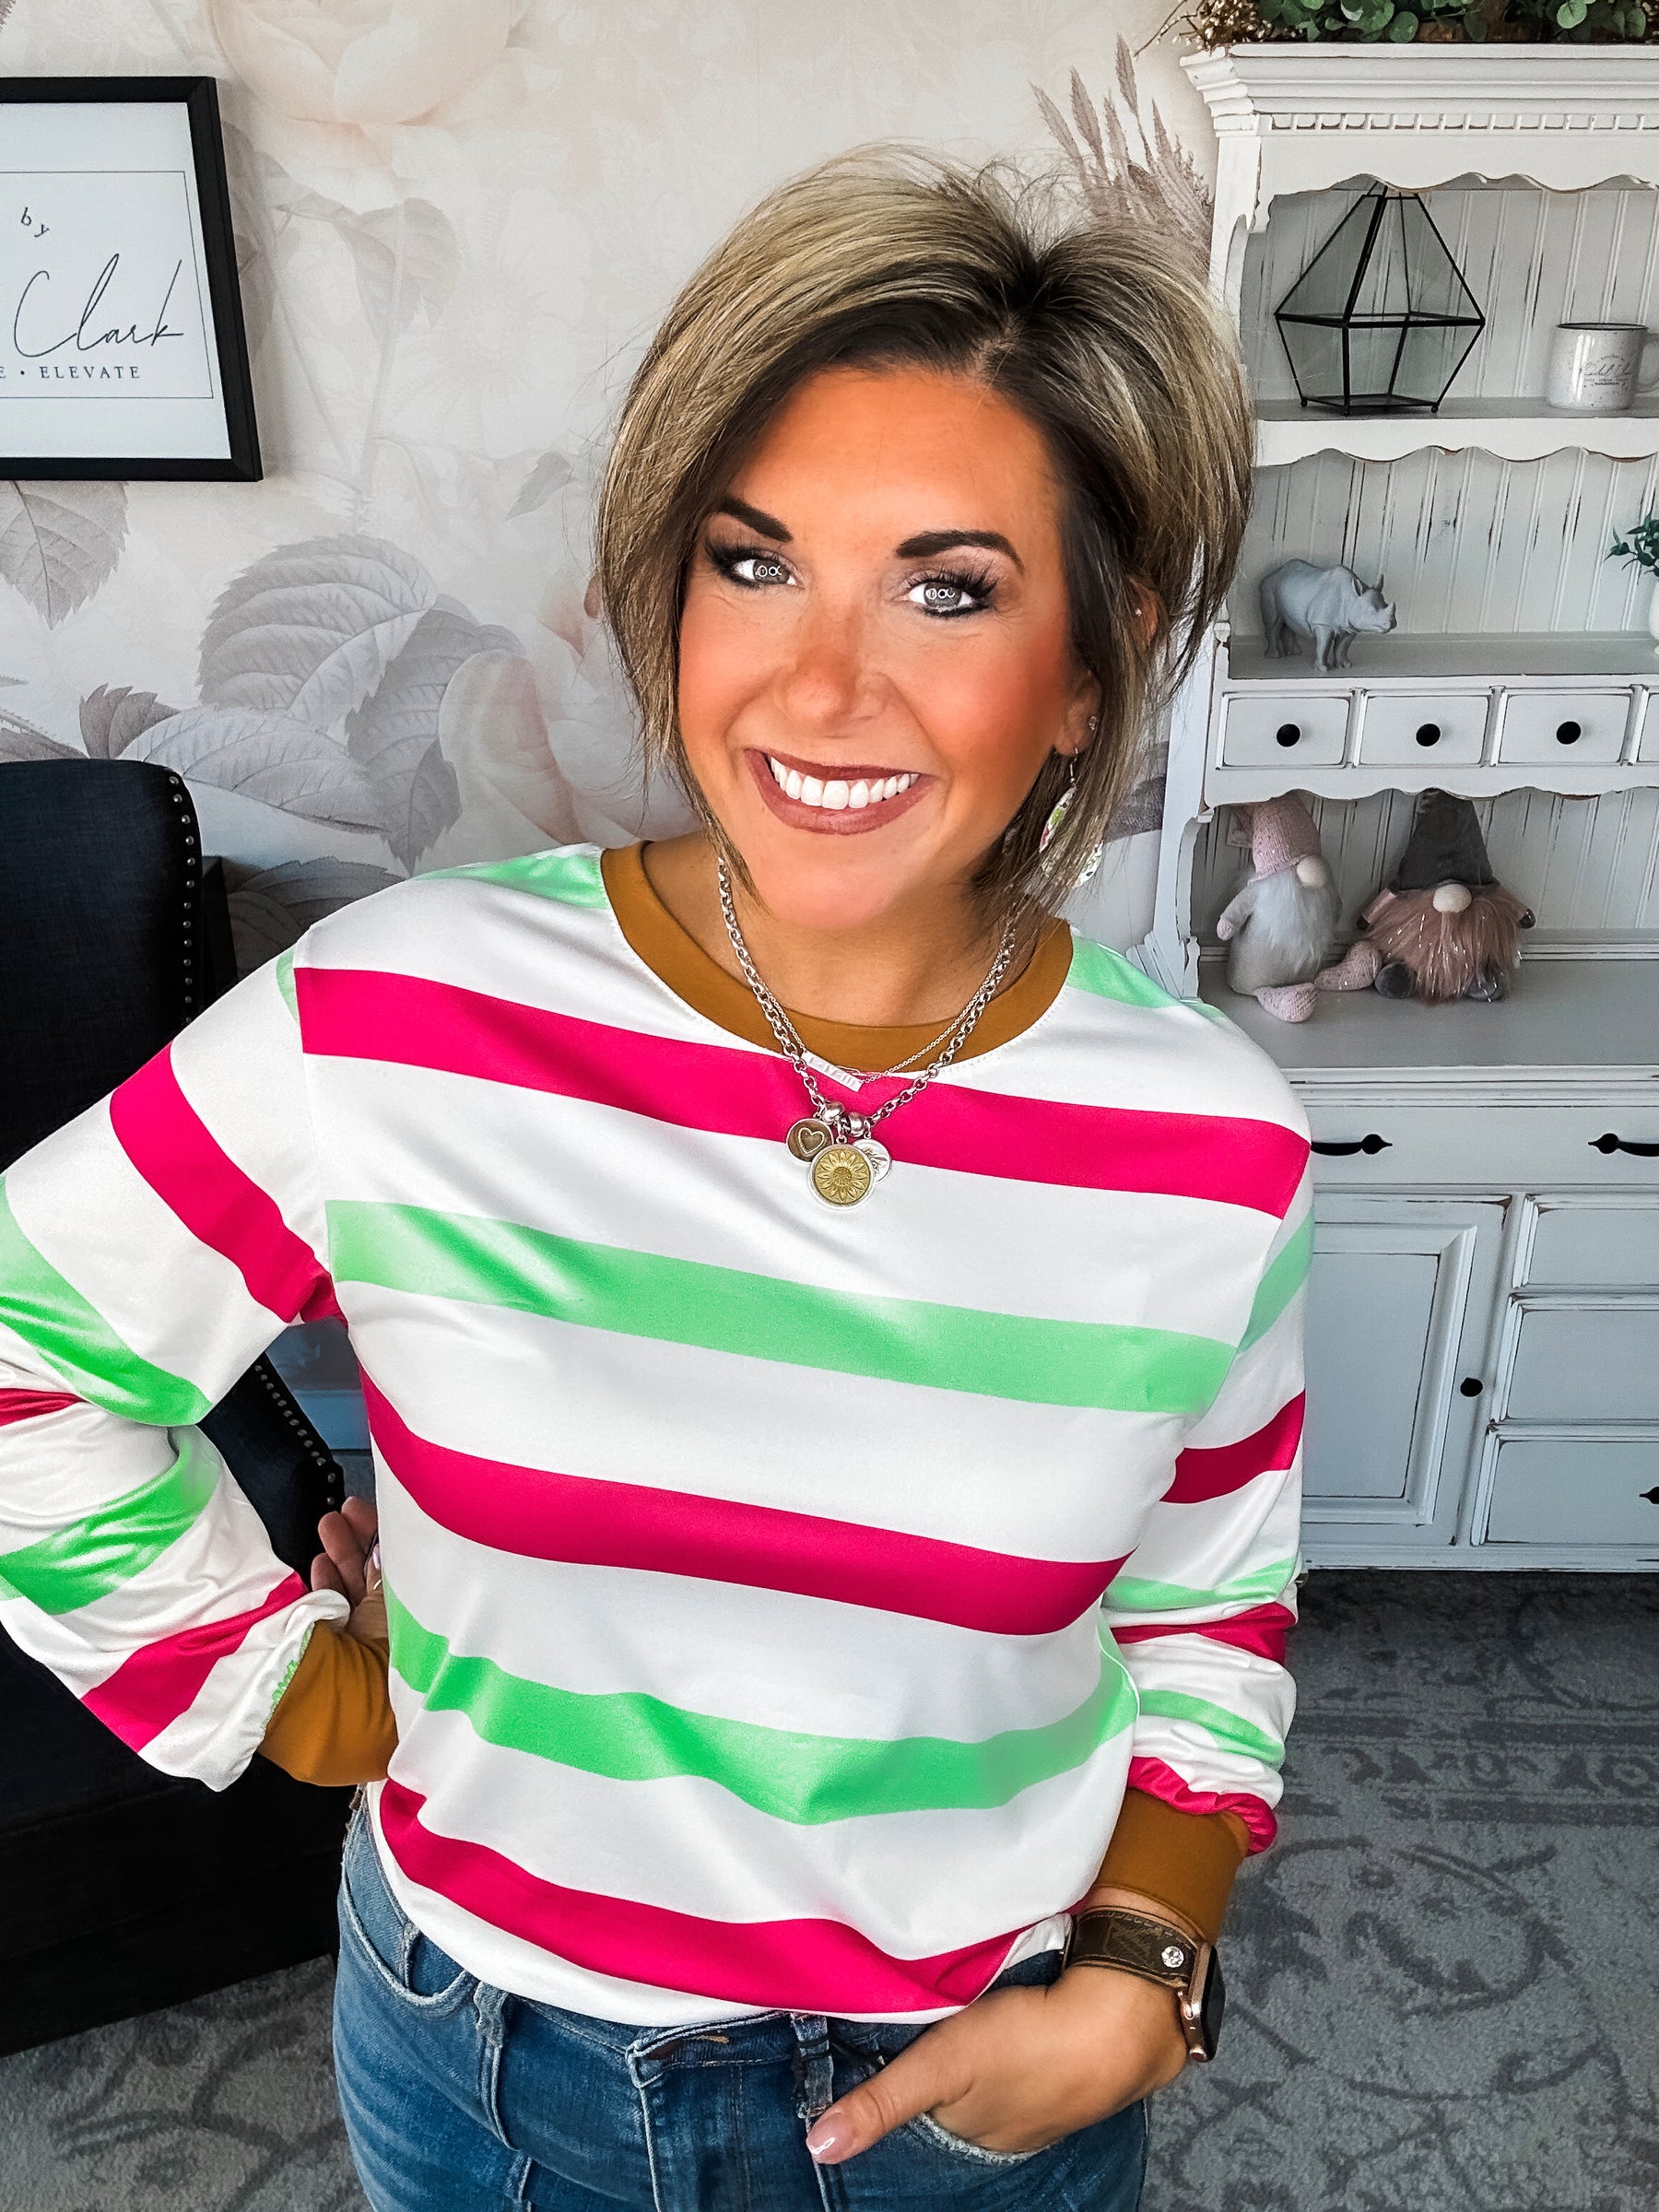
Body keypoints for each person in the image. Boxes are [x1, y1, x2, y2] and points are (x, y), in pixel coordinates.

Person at [0, 150, 1307, 2211]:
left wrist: (1151, 1966)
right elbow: (25, 1353)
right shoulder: (401, 1014)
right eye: (754, 563)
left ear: (1092, 662)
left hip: (977, 2071)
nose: (821, 687)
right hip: (485, 2058)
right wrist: (282, 1690)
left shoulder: (1213, 1140)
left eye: (948, 589)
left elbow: (1209, 1602)